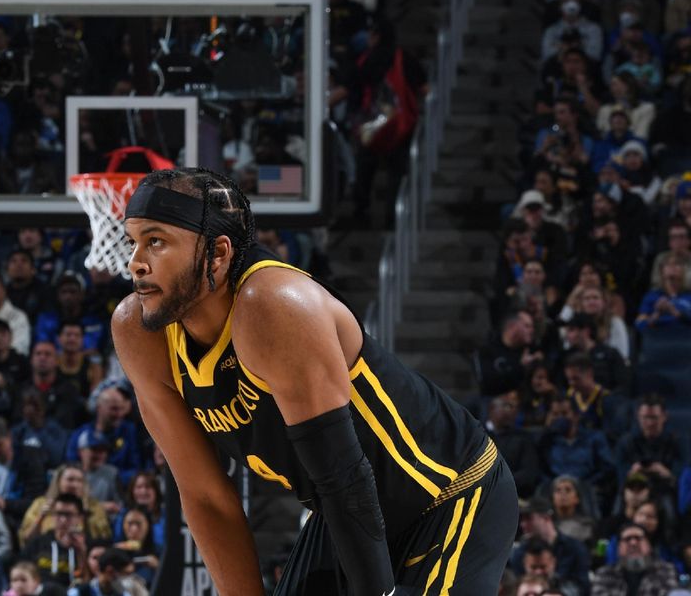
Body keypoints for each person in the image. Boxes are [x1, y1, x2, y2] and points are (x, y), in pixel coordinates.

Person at [111, 168, 519, 595]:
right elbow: (206, 495)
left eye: (155, 241)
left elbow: (344, 476)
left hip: (449, 494)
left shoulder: (274, 305)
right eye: (133, 241)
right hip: (347, 510)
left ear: (217, 253)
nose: (136, 262)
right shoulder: (137, 331)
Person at [510, 497, 591, 595]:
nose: (523, 524)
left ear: (546, 518)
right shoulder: (520, 552)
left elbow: (582, 587)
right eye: (522, 519)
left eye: (529, 518)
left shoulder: (575, 548)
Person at [18, 463, 111, 547]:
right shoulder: (40, 504)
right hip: (45, 552)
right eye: (70, 479)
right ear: (58, 481)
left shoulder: (94, 507)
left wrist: (85, 516)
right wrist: (41, 517)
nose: (75, 485)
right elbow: (27, 540)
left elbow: (102, 540)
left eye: (80, 481)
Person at [591, 522, 678, 595]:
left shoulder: (665, 570)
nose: (633, 543)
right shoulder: (605, 574)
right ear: (619, 548)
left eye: (638, 538)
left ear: (649, 545)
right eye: (627, 539)